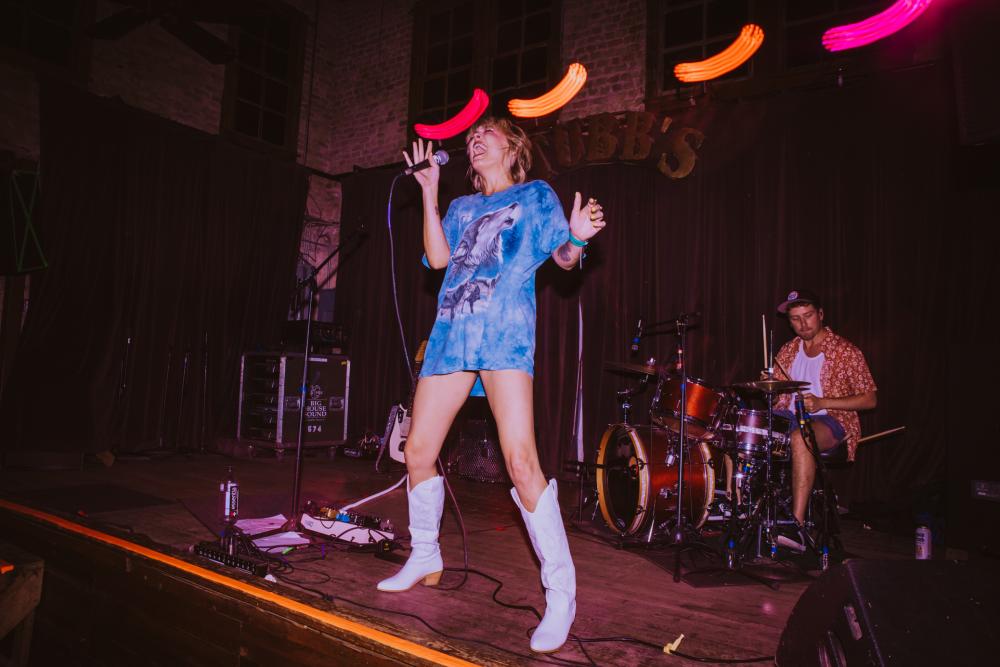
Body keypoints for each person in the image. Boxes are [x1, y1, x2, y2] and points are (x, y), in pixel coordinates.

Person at [376, 117, 606, 654]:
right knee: (417, 452)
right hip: (451, 336)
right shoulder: (461, 207)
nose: (474, 140)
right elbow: (438, 259)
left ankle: (561, 594)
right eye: (470, 137)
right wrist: (429, 192)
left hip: (504, 337)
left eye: (486, 133)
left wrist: (577, 236)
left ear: (513, 146)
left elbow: (564, 259)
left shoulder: (535, 196)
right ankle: (426, 553)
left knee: (522, 462)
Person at [771, 289, 877, 526]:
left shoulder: (845, 351)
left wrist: (822, 402)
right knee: (746, 426)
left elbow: (870, 399)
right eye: (795, 319)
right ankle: (740, 508)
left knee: (802, 437)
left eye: (808, 315)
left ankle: (796, 524)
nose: (803, 324)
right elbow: (778, 397)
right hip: (791, 416)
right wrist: (771, 390)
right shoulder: (788, 351)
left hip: (832, 419)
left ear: (820, 314)